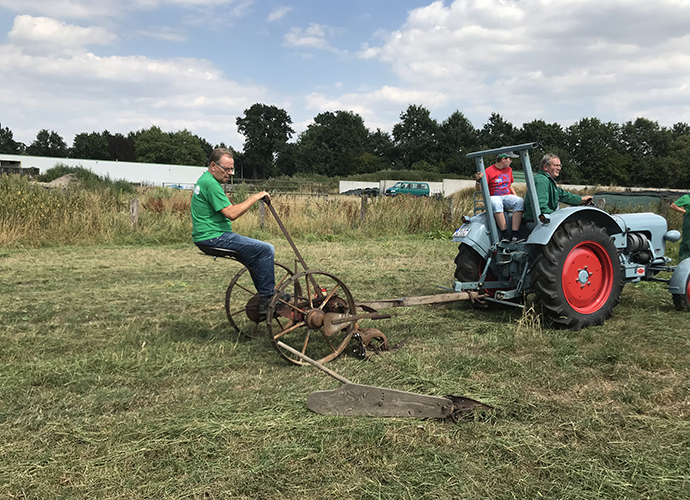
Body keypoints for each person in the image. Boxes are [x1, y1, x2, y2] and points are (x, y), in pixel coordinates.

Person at [192, 147, 278, 318]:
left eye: (232, 169)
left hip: (209, 236)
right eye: (227, 168)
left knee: (254, 257)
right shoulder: (210, 184)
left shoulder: (205, 180)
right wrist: (256, 196)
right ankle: (268, 300)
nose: (230, 173)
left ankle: (265, 297)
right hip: (214, 237)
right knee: (266, 249)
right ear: (213, 166)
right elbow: (231, 214)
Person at [523, 153, 592, 220]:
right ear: (545, 167)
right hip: (537, 220)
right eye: (556, 165)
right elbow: (541, 206)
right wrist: (557, 216)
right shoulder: (542, 180)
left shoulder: (548, 181)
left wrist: (581, 199)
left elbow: (564, 195)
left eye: (560, 166)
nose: (559, 168)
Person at [475, 152, 525, 242]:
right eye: (510, 159)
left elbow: (509, 185)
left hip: (506, 196)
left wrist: (515, 196)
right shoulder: (488, 171)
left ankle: (515, 234)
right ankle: (505, 234)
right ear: (503, 159)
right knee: (496, 203)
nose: (511, 161)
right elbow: (480, 190)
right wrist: (478, 181)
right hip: (494, 196)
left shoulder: (509, 170)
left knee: (520, 201)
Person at [670, 193, 690, 262]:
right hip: (689, 221)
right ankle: (683, 259)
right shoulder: (686, 197)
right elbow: (673, 205)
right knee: (687, 241)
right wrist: (684, 211)